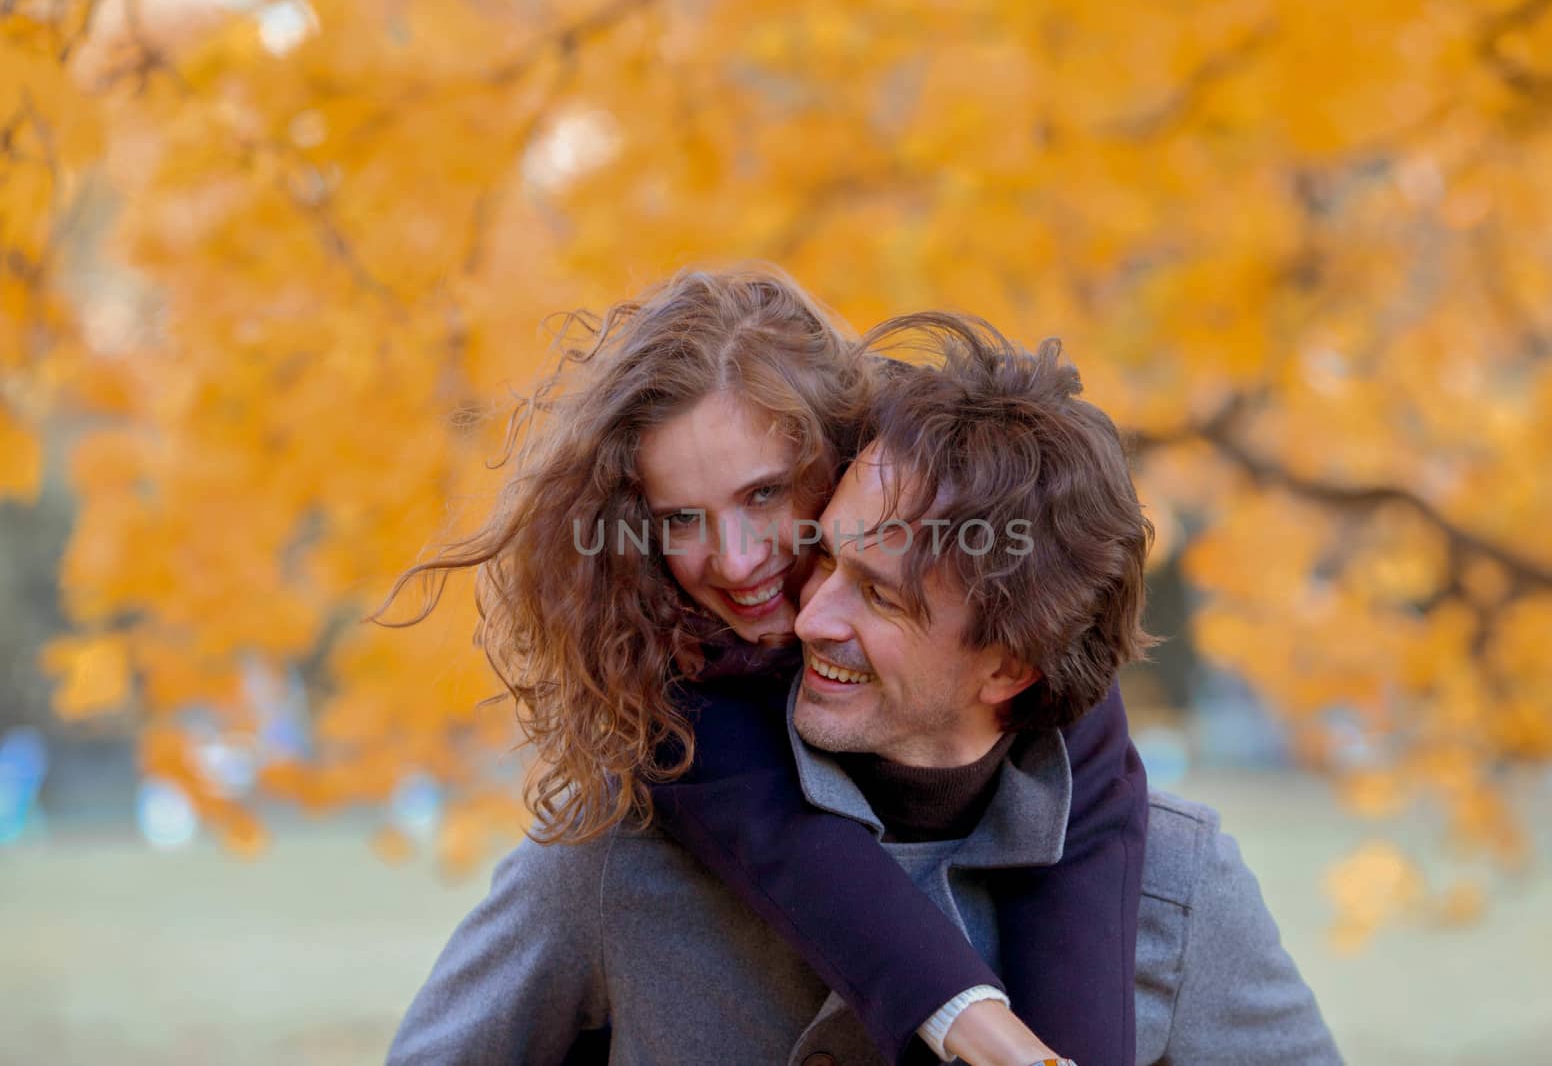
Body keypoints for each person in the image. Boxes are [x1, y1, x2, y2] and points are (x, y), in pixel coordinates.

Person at [388, 309, 1343, 1064]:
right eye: (683, 516)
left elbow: (1081, 762)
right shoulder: (627, 834)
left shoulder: (1176, 882)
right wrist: (959, 1006)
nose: (750, 567)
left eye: (768, 496)